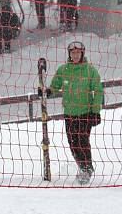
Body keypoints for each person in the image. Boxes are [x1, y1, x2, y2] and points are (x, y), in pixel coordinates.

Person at [40, 40, 103, 184]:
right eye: (73, 53)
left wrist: (95, 111)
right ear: (69, 54)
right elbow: (55, 86)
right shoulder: (64, 70)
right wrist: (47, 91)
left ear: (82, 53)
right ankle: (81, 166)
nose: (75, 55)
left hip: (85, 113)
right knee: (72, 143)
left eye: (78, 53)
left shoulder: (89, 70)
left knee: (82, 141)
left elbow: (98, 91)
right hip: (69, 113)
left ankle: (87, 168)